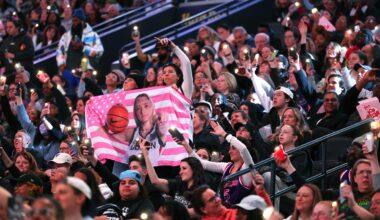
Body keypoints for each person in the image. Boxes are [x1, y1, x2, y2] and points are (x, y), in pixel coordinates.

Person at [179, 120, 256, 205]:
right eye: (230, 148)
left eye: (233, 148)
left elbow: (243, 149)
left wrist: (224, 134)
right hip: (222, 209)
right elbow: (202, 164)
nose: (230, 151)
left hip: (236, 213)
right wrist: (185, 144)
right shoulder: (227, 166)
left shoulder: (247, 168)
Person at [140, 137, 206, 207]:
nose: (180, 172)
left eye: (184, 168)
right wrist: (146, 155)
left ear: (194, 169)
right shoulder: (177, 185)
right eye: (180, 169)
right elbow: (155, 181)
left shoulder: (204, 192)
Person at [56, 8, 103, 73]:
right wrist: (61, 63)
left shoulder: (92, 35)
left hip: (85, 70)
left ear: (82, 22)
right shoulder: (66, 36)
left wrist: (83, 47)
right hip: (68, 70)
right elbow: (60, 50)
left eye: (76, 21)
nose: (74, 23)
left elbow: (99, 52)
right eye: (73, 21)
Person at [127, 93, 168, 166]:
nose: (142, 111)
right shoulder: (131, 132)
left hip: (153, 172)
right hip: (133, 171)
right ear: (135, 112)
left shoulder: (158, 128)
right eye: (138, 108)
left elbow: (163, 131)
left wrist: (164, 121)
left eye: (146, 106)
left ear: (153, 107)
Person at [0, 17, 35, 83]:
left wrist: (14, 55)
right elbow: (2, 57)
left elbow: (30, 53)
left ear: (17, 28)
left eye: (10, 27)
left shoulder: (25, 38)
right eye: (7, 27)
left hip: (23, 70)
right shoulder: (5, 42)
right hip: (10, 73)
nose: (8, 29)